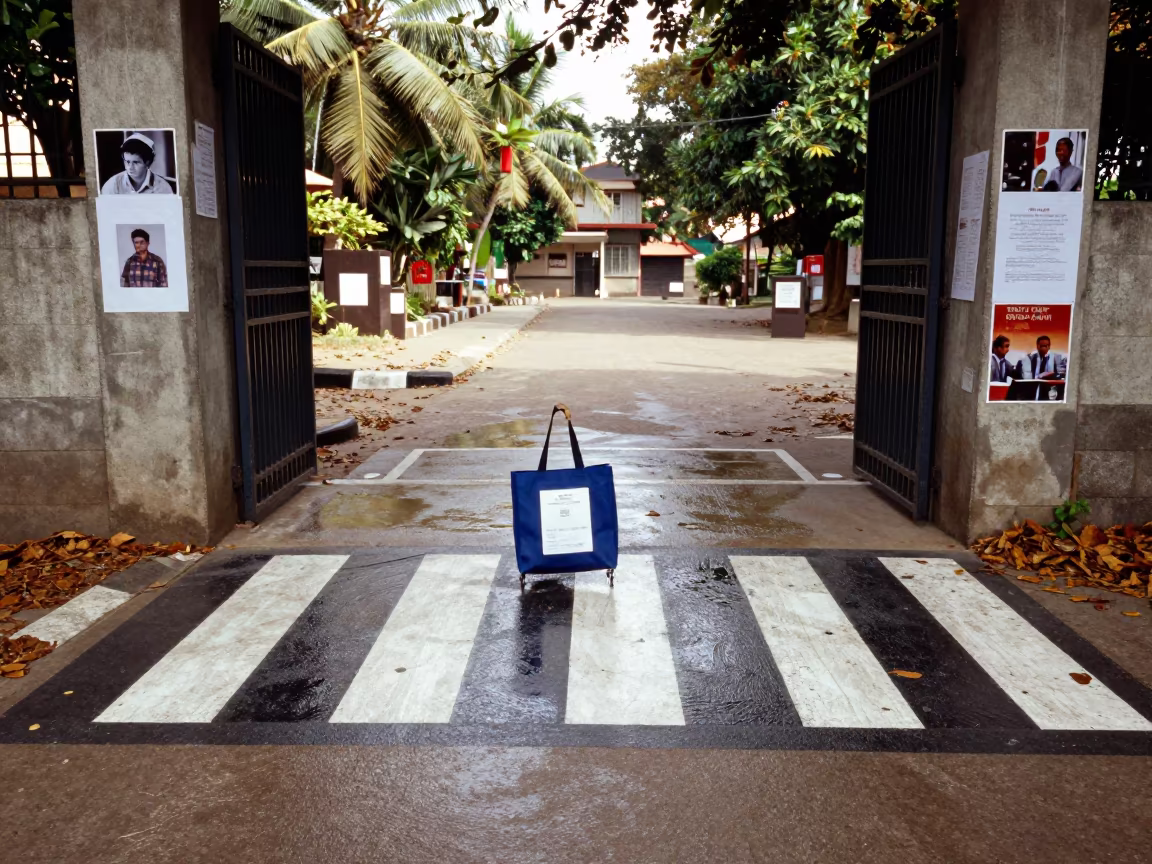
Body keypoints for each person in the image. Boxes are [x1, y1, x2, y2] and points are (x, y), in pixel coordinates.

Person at [101, 133, 174, 195]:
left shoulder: (162, 188)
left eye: (136, 162)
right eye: (127, 161)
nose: (130, 167)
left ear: (147, 162)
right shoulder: (113, 185)